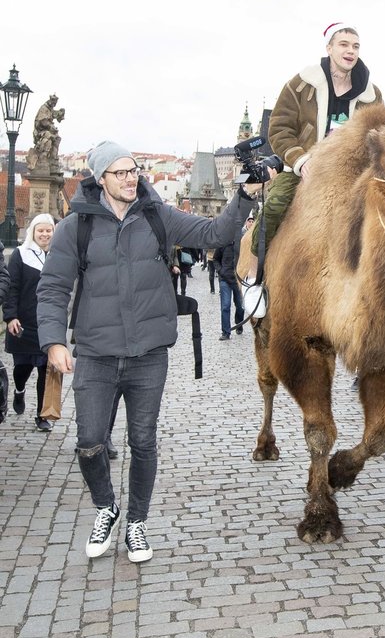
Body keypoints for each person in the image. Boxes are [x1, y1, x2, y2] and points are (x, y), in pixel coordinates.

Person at [36, 141, 262, 563]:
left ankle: (136, 522)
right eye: (119, 172)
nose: (129, 178)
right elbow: (52, 289)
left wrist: (245, 196)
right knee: (89, 442)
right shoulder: (75, 227)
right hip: (97, 353)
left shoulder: (156, 215)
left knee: (143, 441)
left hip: (148, 355)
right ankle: (106, 507)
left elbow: (212, 233)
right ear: (100, 177)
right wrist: (52, 341)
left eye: (133, 170)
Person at [242, 22, 383, 315]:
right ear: (329, 48)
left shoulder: (371, 95)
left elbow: (380, 134)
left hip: (350, 174)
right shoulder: (301, 85)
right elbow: (279, 128)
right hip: (302, 168)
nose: (350, 51)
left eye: (356, 46)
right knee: (275, 205)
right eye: (344, 44)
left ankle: (374, 287)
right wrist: (301, 160)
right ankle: (254, 277)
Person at [4, 213, 56, 431]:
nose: (44, 234)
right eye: (40, 230)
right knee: (22, 367)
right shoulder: (20, 254)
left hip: (49, 323)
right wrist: (10, 316)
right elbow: (12, 287)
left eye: (48, 230)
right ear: (33, 232)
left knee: (46, 369)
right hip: (24, 320)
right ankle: (19, 389)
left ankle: (42, 415)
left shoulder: (59, 255)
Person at [214, 217, 250, 340]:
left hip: (238, 280)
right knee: (225, 306)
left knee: (240, 306)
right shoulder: (223, 242)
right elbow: (215, 259)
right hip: (225, 279)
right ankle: (225, 332)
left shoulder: (243, 243)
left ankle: (238, 323)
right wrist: (220, 271)